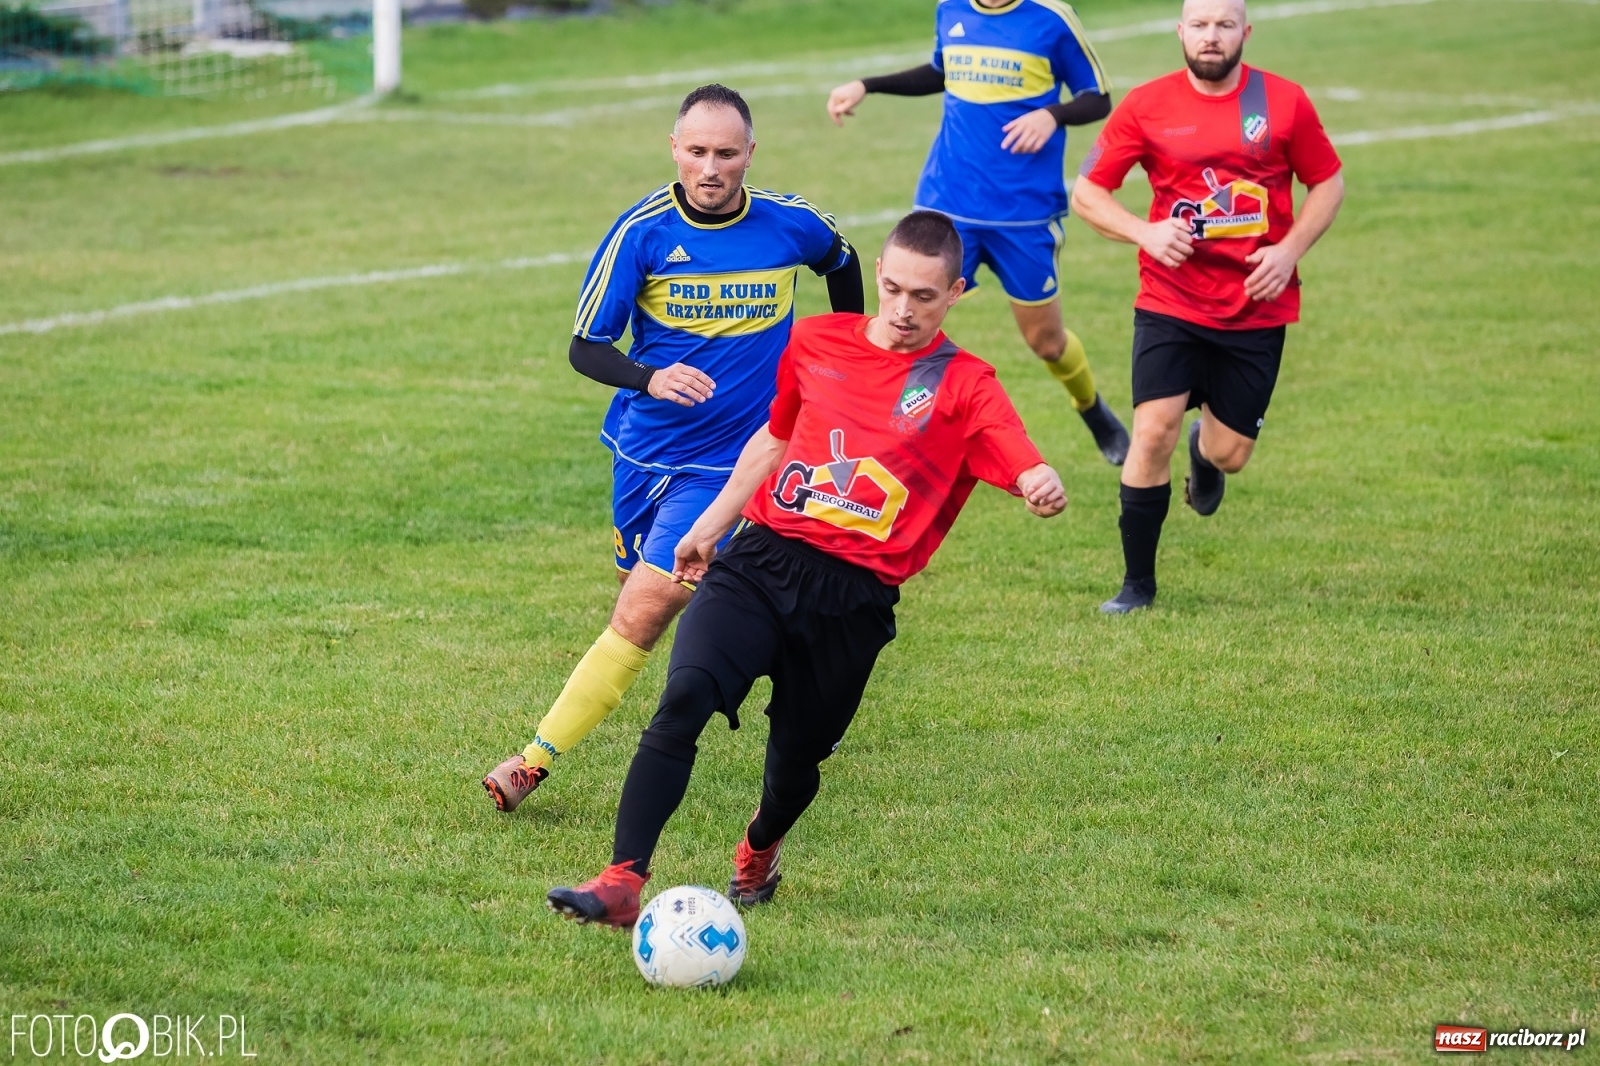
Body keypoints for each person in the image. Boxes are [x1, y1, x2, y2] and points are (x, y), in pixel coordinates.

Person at [545, 211, 1067, 928]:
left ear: (956, 293)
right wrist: (710, 526)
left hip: (853, 600)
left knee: (794, 765)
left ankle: (760, 845)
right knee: (684, 695)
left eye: (924, 296)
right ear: (878, 276)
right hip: (761, 559)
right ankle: (621, 880)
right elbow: (774, 437)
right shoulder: (818, 341)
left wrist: (1037, 480)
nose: (903, 309)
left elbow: (1016, 451)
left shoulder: (966, 385)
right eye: (893, 289)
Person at [483, 84, 865, 810]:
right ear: (674, 150)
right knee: (637, 590)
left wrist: (850, 355)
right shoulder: (642, 233)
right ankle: (798, 670)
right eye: (696, 152)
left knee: (647, 607)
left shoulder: (792, 224)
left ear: (751, 153)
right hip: (645, 454)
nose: (711, 168)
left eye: (726, 153)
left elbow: (841, 262)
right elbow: (585, 348)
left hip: (736, 460)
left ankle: (533, 759)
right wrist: (649, 377)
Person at [1069, 0, 1344, 613]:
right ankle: (1137, 586)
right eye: (1199, 25)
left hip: (1257, 304)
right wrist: (1144, 233)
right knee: (1151, 433)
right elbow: (1088, 191)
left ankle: (1205, 450)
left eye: (1224, 25)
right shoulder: (1147, 105)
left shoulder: (1284, 102)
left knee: (1229, 455)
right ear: (1181, 32)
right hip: (1170, 300)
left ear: (1246, 31)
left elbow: (1328, 182)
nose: (1211, 36)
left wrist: (1289, 251)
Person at [827, 0, 1130, 466]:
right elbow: (940, 72)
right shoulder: (950, 9)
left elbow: (1098, 98)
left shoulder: (1051, 18)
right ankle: (875, 436)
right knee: (904, 322)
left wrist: (1052, 114)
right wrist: (868, 85)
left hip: (1024, 213)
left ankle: (1090, 407)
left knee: (1047, 343)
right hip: (947, 201)